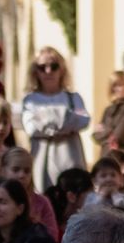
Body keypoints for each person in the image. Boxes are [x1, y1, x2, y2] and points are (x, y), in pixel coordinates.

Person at [17, 48, 89, 193]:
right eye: (42, 67)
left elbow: (83, 119)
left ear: (61, 69)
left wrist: (45, 121)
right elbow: (31, 127)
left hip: (70, 160)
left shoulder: (73, 98)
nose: (48, 71)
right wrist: (65, 121)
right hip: (42, 163)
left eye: (54, 66)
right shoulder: (30, 100)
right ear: (35, 71)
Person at [89, 71, 124, 158]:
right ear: (112, 88)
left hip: (122, 157)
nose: (120, 89)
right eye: (117, 85)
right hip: (106, 156)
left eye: (123, 85)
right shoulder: (108, 110)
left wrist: (105, 130)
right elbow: (95, 136)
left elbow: (119, 136)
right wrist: (110, 132)